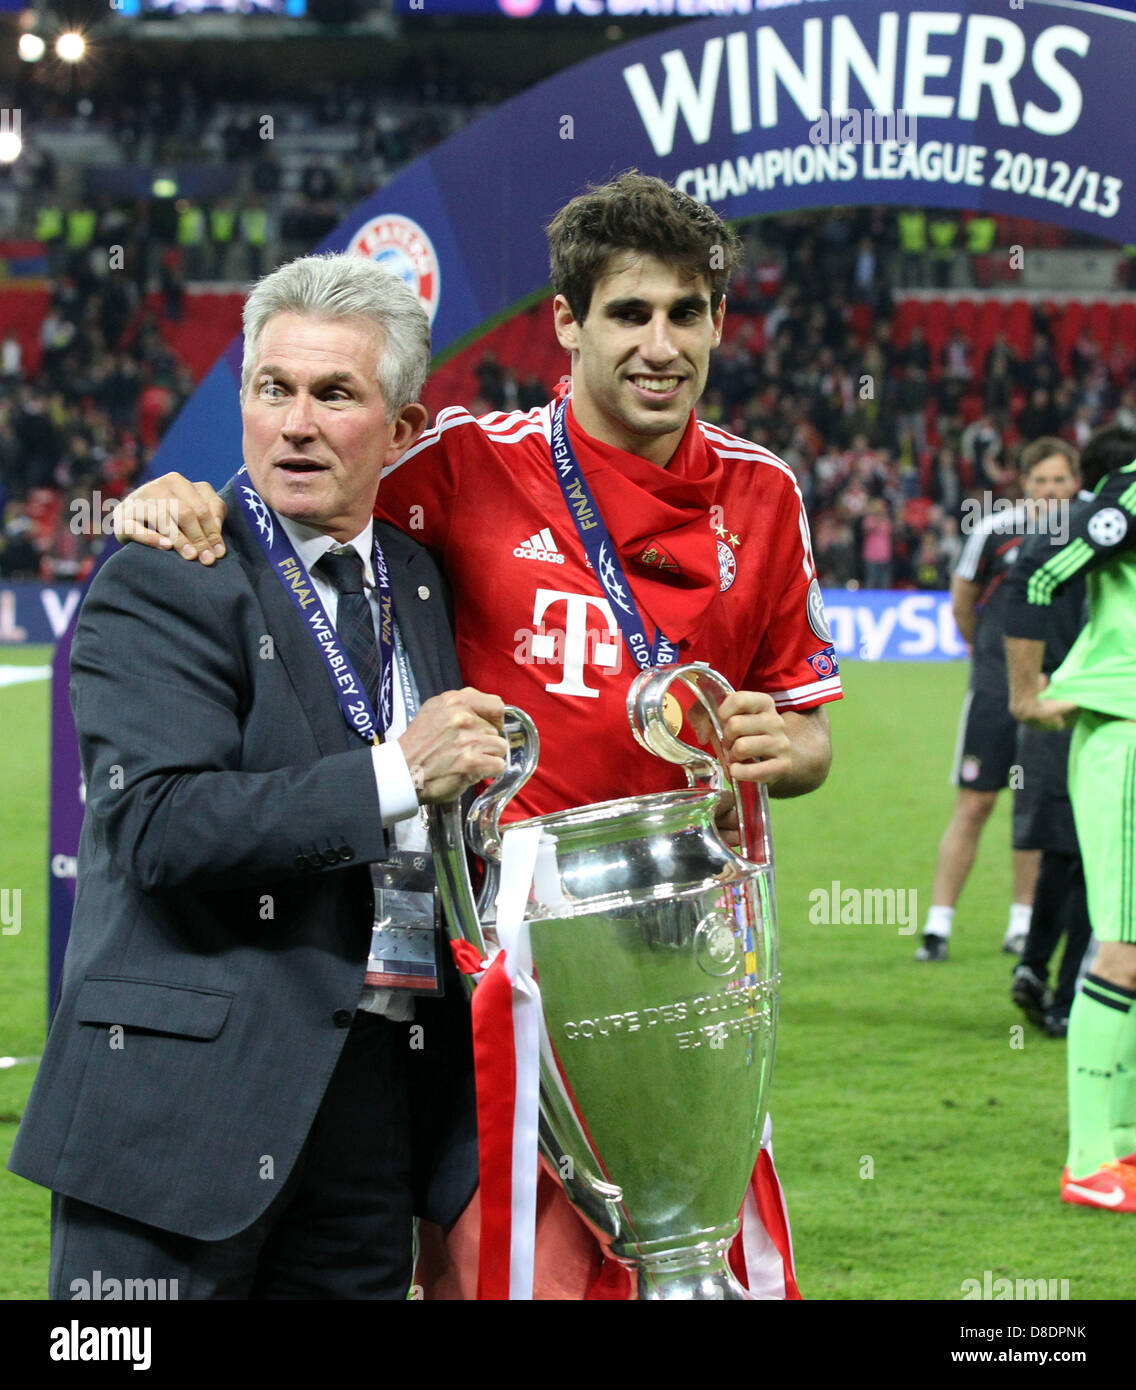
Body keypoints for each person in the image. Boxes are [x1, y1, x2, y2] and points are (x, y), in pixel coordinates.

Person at [113, 173, 841, 1297]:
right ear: (564, 322)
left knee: (689, 1251)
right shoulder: (463, 465)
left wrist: (785, 750)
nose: (660, 344)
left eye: (685, 313)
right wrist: (176, 496)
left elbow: (804, 737)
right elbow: (301, 485)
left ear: (718, 322)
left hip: (687, 947)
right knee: (511, 1267)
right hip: (507, 966)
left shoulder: (763, 493)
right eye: (627, 312)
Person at [7, 255, 510, 1298]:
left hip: (373, 1101)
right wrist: (393, 773)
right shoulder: (168, 569)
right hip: (182, 1108)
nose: (294, 422)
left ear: (404, 431)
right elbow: (155, 825)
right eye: (271, 388)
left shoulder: (415, 582)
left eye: (334, 394)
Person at [1005, 423, 1136, 1212]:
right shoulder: (1129, 489)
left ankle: (1119, 1144)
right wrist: (1024, 695)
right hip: (1124, 733)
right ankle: (1089, 1161)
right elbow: (1038, 572)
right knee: (1119, 950)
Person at [916, 439, 1081, 962]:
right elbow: (963, 606)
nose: (1051, 490)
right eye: (1041, 481)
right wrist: (992, 663)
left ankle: (1022, 922)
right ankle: (938, 925)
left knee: (1035, 811)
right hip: (993, 690)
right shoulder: (994, 530)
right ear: (1025, 484)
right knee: (975, 803)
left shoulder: (1089, 536)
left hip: (1058, 691)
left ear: (1075, 484)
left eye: (1060, 481)